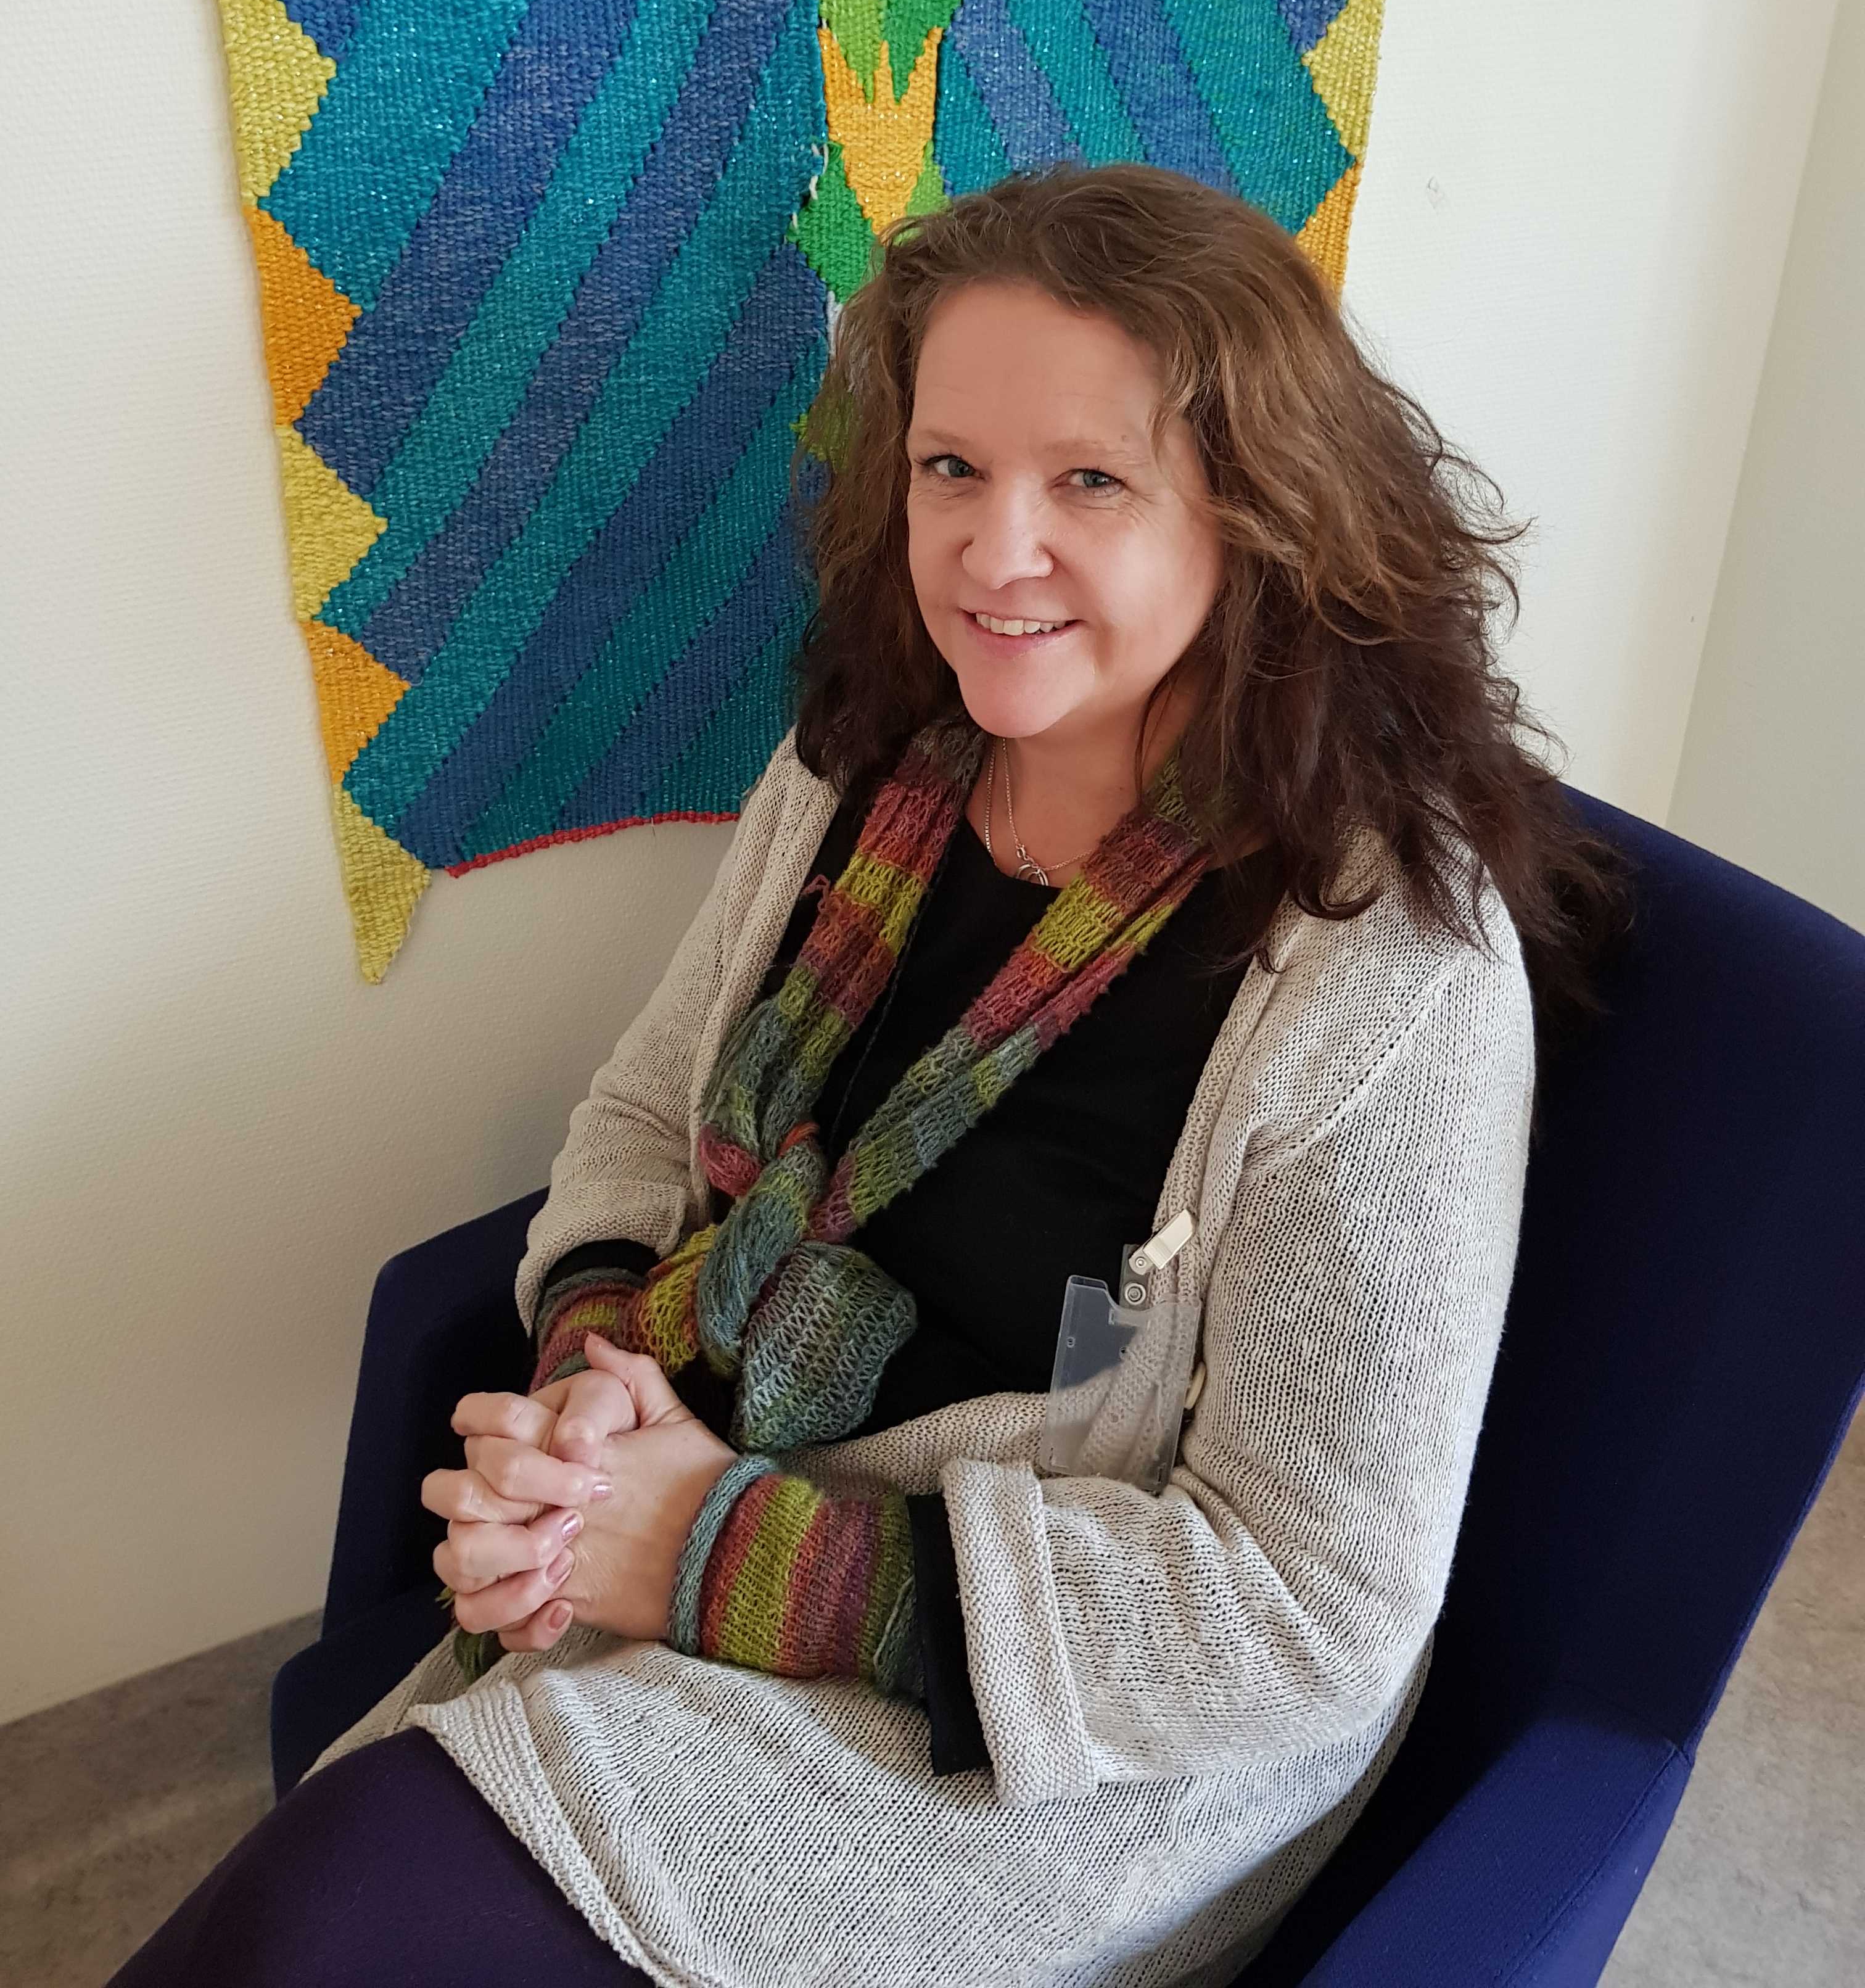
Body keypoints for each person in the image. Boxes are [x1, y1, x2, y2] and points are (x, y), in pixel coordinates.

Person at [115, 165, 1622, 1988]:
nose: (995, 552)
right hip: (710, 1503)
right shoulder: (866, 762)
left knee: (343, 1901)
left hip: (1044, 1740)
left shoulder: (1386, 977)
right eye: (950, 468)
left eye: (1091, 481)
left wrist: (712, 1550)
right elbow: (640, 1120)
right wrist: (591, 1402)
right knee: (322, 1906)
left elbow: (1310, 1617)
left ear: (1258, 511)